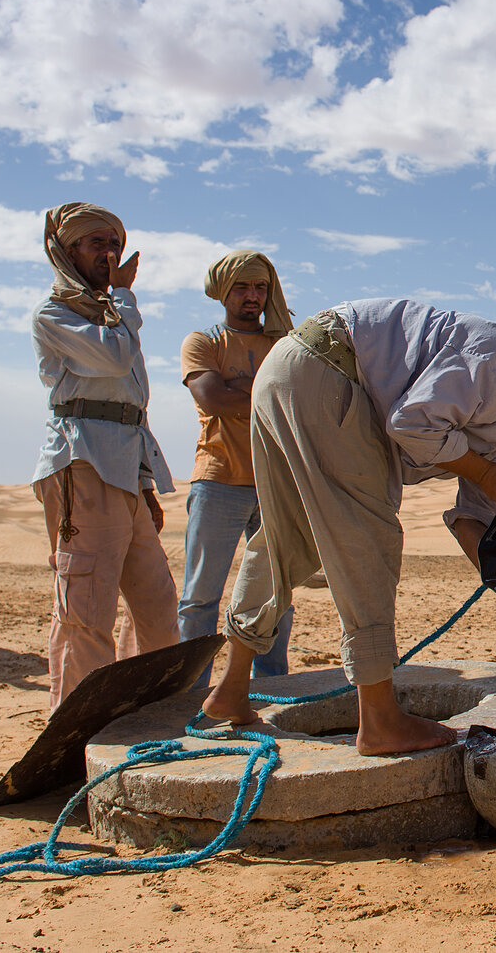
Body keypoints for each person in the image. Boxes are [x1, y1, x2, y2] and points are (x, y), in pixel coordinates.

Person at [200, 298, 496, 755]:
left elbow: (471, 516)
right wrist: (483, 473)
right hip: (329, 372)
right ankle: (380, 721)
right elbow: (413, 423)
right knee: (368, 540)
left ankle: (229, 692)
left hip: (290, 371)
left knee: (288, 539)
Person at [30, 202, 179, 710]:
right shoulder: (56, 315)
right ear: (68, 252)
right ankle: (74, 735)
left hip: (124, 473)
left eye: (114, 243)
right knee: (86, 611)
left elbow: (130, 406)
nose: (110, 254)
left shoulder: (114, 317)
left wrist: (143, 485)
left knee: (157, 606)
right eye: (97, 244)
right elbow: (113, 362)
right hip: (84, 467)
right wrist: (124, 294)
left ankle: (147, 714)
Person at [176, 251, 295, 687]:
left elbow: (298, 402)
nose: (253, 296)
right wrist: (262, 391)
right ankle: (190, 691)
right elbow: (213, 399)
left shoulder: (285, 346)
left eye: (260, 288)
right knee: (200, 599)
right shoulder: (203, 342)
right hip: (219, 480)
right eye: (243, 287)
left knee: (275, 595)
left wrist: (240, 387)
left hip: (275, 484)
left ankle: (271, 687)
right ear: (224, 292)